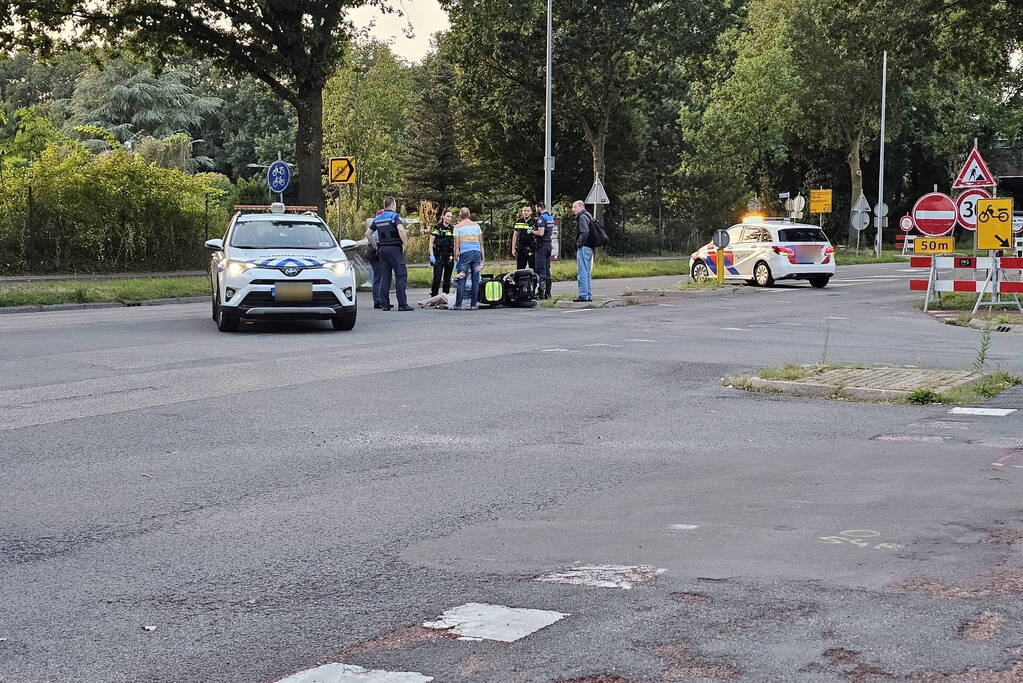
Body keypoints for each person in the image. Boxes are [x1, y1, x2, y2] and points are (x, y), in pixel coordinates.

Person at [365, 197, 413, 312]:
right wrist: (404, 244)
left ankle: (385, 304)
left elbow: (367, 233)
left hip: (382, 250)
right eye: (395, 204)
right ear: (392, 204)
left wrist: (375, 245)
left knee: (385, 277)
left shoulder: (377, 218)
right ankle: (402, 304)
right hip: (395, 249)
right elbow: (401, 230)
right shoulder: (394, 217)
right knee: (400, 275)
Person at [452, 207, 485, 310]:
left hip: (465, 253)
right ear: (469, 215)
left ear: (460, 215)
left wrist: (456, 260)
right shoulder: (476, 226)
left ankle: (458, 305)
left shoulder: (457, 227)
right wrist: (483, 260)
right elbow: (481, 244)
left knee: (461, 278)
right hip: (476, 253)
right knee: (475, 280)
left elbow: (456, 245)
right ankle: (473, 305)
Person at [429, 209, 455, 297]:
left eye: (451, 217)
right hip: (438, 256)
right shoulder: (437, 227)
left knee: (447, 278)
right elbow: (431, 242)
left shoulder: (452, 229)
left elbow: (456, 243)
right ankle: (434, 296)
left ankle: (445, 297)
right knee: (437, 278)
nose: (449, 218)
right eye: (447, 216)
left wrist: (456, 256)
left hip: (449, 256)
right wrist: (431, 255)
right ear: (443, 216)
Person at [572, 200, 594, 302]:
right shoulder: (588, 216)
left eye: (574, 207)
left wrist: (579, 244)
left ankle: (583, 295)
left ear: (581, 207)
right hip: (589, 247)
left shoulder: (582, 217)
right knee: (587, 272)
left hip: (584, 247)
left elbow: (584, 232)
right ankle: (588, 294)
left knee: (582, 272)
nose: (573, 209)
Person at [531, 202, 554, 299]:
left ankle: (541, 293)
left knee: (541, 270)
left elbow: (540, 233)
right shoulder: (550, 217)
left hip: (542, 246)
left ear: (539, 208)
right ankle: (548, 293)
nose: (536, 210)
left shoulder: (542, 218)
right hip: (548, 245)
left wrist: (532, 231)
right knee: (547, 270)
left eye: (536, 208)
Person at [511, 205, 536, 271]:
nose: (526, 212)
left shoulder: (535, 222)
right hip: (521, 248)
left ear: (531, 212)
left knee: (533, 269)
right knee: (520, 269)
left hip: (532, 248)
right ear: (522, 212)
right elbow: (515, 235)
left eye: (528, 211)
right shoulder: (519, 221)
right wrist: (513, 248)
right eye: (524, 210)